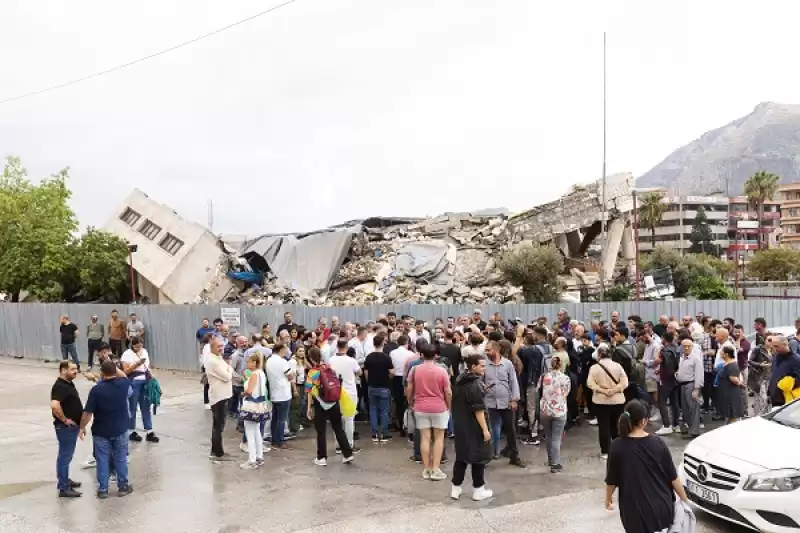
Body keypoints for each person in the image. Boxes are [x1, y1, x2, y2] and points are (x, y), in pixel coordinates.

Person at [605, 400, 691, 533]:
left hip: (634, 512)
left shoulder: (617, 446)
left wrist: (608, 498)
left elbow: (612, 479)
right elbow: (673, 477)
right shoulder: (658, 443)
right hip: (662, 508)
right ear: (644, 421)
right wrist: (684, 499)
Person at [80, 360, 134, 498]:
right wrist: (115, 368)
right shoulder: (123, 385)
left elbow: (87, 413)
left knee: (102, 460)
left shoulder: (97, 390)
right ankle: (123, 486)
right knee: (121, 458)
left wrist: (82, 427)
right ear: (115, 371)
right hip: (120, 429)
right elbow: (124, 376)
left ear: (102, 373)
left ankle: (103, 489)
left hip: (101, 430)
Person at [450, 353, 493, 501]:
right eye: (482, 366)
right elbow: (478, 410)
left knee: (461, 457)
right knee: (478, 458)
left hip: (461, 424)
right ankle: (478, 489)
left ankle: (455, 488)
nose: (484, 368)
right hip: (473, 426)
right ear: (473, 366)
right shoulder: (474, 385)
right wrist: (485, 429)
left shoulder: (460, 380)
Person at [406, 343, 451, 481]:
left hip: (420, 407)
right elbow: (448, 391)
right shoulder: (442, 371)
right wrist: (449, 407)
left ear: (421, 355)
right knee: (438, 438)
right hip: (439, 407)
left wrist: (410, 402)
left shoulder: (414, 370)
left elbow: (409, 388)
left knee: (424, 438)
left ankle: (426, 469)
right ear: (436, 355)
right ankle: (436, 469)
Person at [305, 347, 355, 466]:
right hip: (333, 401)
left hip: (320, 403)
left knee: (321, 431)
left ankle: (322, 457)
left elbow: (309, 391)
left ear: (310, 358)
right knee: (338, 428)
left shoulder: (312, 372)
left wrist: (308, 408)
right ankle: (347, 454)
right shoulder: (328, 368)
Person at [483, 340, 525, 467]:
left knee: (510, 430)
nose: (486, 352)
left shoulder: (507, 364)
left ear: (496, 350)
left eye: (488, 350)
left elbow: (513, 382)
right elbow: (479, 380)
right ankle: (486, 456)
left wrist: (514, 399)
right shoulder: (484, 365)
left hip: (506, 403)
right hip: (490, 403)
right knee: (488, 430)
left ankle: (514, 456)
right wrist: (483, 387)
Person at [586, 344, 628, 460]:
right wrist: (614, 390)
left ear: (599, 355)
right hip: (617, 400)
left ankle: (605, 451)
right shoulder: (618, 366)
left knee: (604, 426)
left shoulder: (594, 368)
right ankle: (618, 449)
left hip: (600, 401)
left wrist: (602, 390)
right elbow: (625, 382)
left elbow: (590, 383)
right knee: (617, 425)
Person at [51, 360, 83, 498]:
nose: (76, 371)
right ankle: (64, 488)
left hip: (71, 426)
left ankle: (64, 480)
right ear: (63, 370)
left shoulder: (68, 383)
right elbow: (55, 405)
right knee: (65, 457)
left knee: (65, 457)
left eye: (76, 369)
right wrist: (64, 420)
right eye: (72, 369)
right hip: (65, 428)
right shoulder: (60, 386)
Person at [120, 337, 158, 443]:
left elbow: (147, 367)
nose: (139, 348)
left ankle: (149, 430)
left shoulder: (144, 352)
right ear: (132, 345)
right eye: (137, 346)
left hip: (145, 381)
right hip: (133, 381)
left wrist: (152, 378)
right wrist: (137, 364)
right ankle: (131, 431)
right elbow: (125, 371)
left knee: (146, 406)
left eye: (140, 345)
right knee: (132, 407)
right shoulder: (126, 354)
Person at [328, 339, 362, 453]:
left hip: (335, 391)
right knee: (349, 419)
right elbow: (359, 372)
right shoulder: (351, 361)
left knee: (337, 419)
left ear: (337, 346)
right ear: (346, 346)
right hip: (349, 392)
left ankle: (338, 444)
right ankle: (349, 444)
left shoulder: (330, 360)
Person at [540, 355, 571, 473]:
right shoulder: (565, 378)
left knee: (548, 436)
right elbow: (566, 392)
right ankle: (555, 463)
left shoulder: (544, 377)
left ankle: (550, 459)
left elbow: (539, 390)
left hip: (545, 409)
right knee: (556, 438)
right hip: (559, 409)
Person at [238, 354, 270, 469]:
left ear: (254, 363)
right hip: (260, 405)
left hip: (251, 406)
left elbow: (250, 391)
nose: (247, 364)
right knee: (257, 431)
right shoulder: (261, 373)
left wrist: (243, 393)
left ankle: (252, 460)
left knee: (250, 433)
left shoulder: (254, 375)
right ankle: (259, 456)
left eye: (249, 361)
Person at [205, 336, 233, 459]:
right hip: (218, 396)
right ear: (212, 347)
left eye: (222, 345)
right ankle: (218, 452)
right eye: (218, 346)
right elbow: (227, 376)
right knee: (218, 426)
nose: (221, 348)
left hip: (223, 395)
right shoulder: (213, 361)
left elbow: (229, 369)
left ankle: (216, 450)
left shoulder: (218, 358)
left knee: (219, 425)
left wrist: (228, 369)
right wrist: (228, 369)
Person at [363, 333, 394, 442]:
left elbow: (365, 372)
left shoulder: (369, 357)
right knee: (384, 411)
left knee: (373, 410)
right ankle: (384, 434)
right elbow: (392, 372)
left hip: (372, 386)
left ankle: (375, 434)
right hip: (384, 387)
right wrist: (388, 378)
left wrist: (369, 381)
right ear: (382, 343)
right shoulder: (386, 357)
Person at [265, 343, 296, 449]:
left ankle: (274, 439)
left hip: (274, 392)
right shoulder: (283, 362)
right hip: (283, 393)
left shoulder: (269, 360)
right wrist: (293, 374)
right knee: (282, 419)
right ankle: (280, 441)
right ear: (281, 349)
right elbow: (290, 376)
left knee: (275, 418)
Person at [676, 338, 704, 438]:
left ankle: (694, 432)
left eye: (689, 346)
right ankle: (691, 429)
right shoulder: (682, 357)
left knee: (693, 409)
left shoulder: (695, 358)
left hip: (691, 385)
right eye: (684, 346)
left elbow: (699, 374)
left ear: (692, 347)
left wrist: (696, 389)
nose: (686, 348)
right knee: (685, 409)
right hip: (683, 385)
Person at [716, 345, 745, 423]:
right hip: (726, 393)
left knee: (733, 416)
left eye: (722, 352)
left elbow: (734, 379)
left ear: (727, 354)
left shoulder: (731, 365)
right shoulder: (726, 364)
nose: (720, 354)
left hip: (731, 394)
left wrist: (740, 383)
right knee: (729, 416)